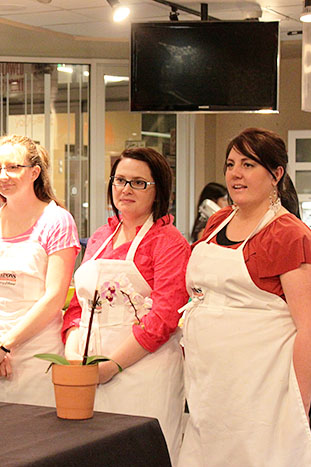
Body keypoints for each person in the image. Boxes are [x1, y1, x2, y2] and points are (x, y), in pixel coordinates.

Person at [179, 128, 311, 466]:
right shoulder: (217, 222)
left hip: (263, 392)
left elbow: (309, 328)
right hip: (210, 386)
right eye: (230, 164)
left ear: (276, 175)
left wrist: (295, 410)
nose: (235, 174)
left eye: (248, 164)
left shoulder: (290, 235)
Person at [61, 147, 189, 462]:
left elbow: (164, 316)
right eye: (120, 180)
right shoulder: (100, 236)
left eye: (138, 183)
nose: (126, 189)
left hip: (145, 371)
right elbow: (79, 305)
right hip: (92, 372)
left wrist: (113, 364)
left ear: (159, 191)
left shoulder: (169, 242)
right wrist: (73, 353)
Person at [0, 134, 80, 407]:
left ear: (35, 172)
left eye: (13, 167)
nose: (3, 175)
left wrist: (6, 346)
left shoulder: (57, 221)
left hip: (36, 357)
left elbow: (54, 297)